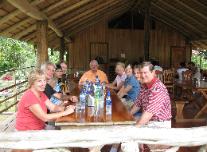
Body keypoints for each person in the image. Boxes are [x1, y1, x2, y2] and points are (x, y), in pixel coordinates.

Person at [130, 61, 172, 128]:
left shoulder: (158, 89)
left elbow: (148, 114)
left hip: (160, 124)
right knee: (123, 124)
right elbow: (138, 104)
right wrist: (127, 116)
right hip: (150, 121)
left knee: (129, 130)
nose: (143, 75)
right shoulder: (144, 86)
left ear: (153, 72)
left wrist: (133, 129)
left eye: (145, 72)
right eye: (141, 73)